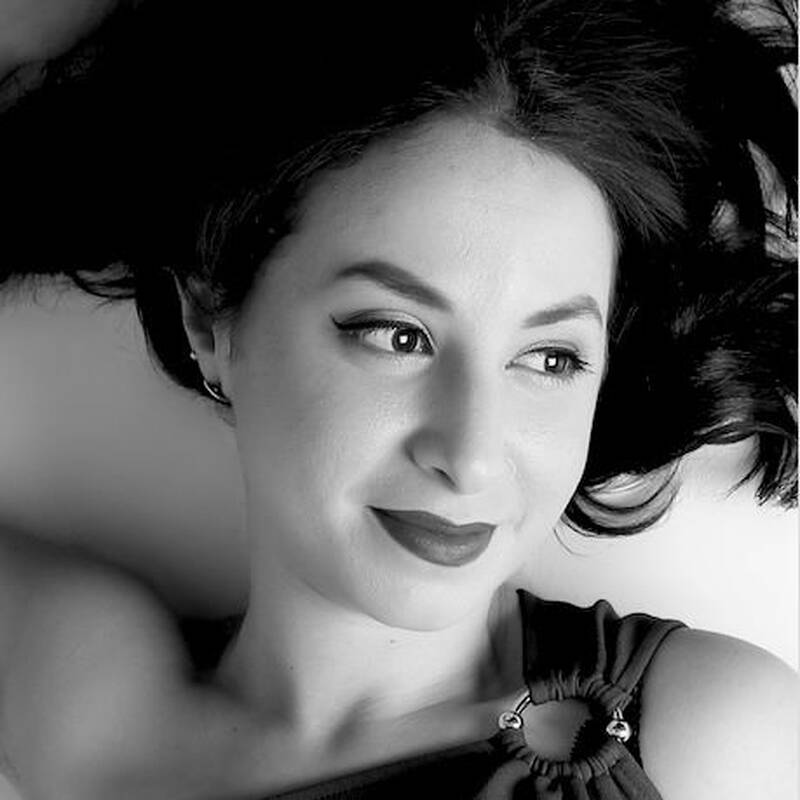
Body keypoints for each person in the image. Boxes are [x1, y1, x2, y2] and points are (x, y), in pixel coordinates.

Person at [0, 1, 796, 798]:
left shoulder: (708, 733)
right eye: (397, 335)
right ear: (211, 318)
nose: (471, 457)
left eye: (550, 358)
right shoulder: (86, 697)